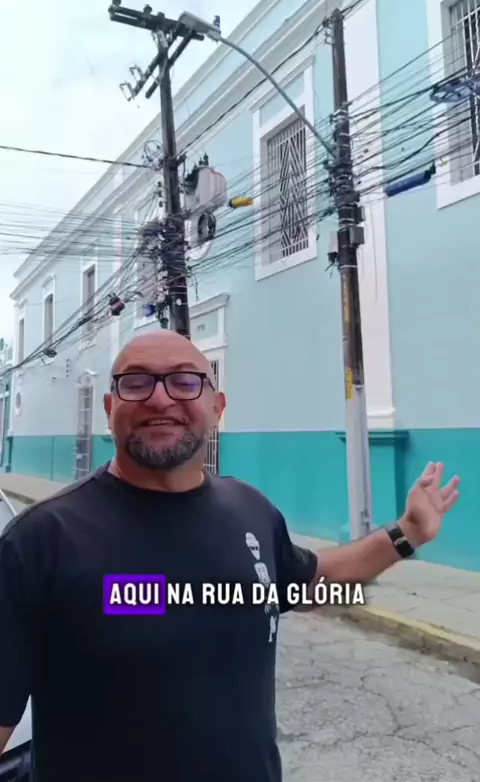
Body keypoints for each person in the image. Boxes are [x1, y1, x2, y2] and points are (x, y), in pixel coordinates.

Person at [0, 330, 461, 782]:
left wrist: (407, 534)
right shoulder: (39, 542)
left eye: (185, 381)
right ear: (109, 408)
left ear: (217, 407)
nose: (160, 399)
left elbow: (307, 584)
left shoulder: (250, 509)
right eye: (136, 382)